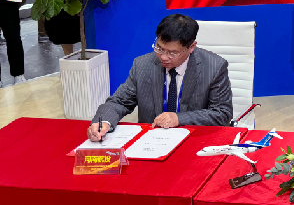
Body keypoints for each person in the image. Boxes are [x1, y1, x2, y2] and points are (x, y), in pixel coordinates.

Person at [87, 14, 233, 141]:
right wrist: (103, 122)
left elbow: (222, 114)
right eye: (159, 48)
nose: (163, 57)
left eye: (172, 53)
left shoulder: (214, 67)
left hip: (194, 140)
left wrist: (179, 118)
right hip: (152, 142)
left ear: (192, 47)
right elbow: (119, 102)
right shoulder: (142, 65)